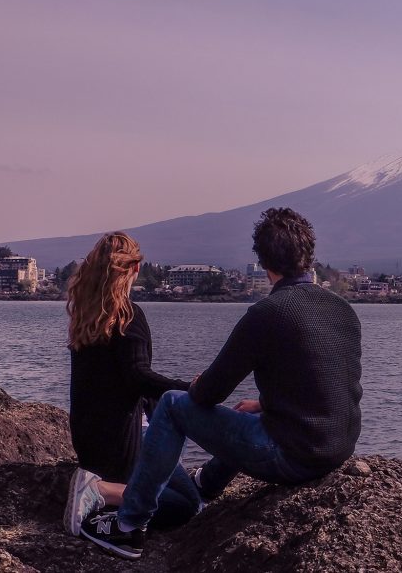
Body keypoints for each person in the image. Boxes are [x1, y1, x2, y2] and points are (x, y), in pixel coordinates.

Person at [79, 208, 363, 559]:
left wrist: (197, 386)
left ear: (262, 261)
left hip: (294, 457)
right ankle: (207, 483)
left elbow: (211, 392)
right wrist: (262, 405)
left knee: (170, 404)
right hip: (337, 449)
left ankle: (127, 526)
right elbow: (334, 386)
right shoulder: (342, 309)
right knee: (247, 411)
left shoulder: (267, 313)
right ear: (309, 254)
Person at [62, 232, 202, 537]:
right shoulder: (127, 315)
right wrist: (189, 390)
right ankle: (100, 492)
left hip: (90, 442)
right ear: (135, 269)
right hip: (121, 446)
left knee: (187, 491)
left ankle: (105, 490)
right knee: (188, 506)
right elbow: (138, 376)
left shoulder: (86, 315)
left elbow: (122, 382)